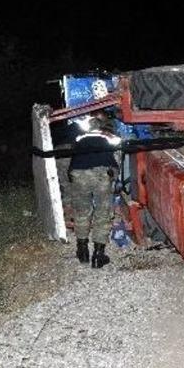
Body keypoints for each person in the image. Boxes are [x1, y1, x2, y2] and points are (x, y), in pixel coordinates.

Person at [67, 114, 121, 268]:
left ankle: (82, 251)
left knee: (82, 212)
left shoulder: (79, 138)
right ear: (101, 126)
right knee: (103, 213)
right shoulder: (109, 137)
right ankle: (98, 255)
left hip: (78, 173)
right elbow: (118, 156)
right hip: (101, 173)